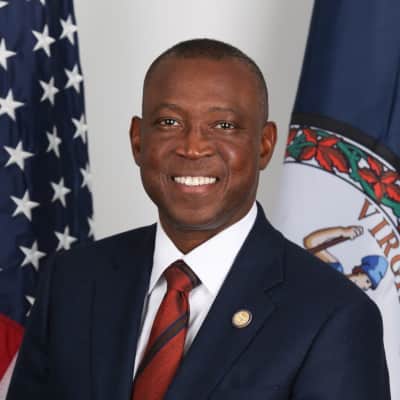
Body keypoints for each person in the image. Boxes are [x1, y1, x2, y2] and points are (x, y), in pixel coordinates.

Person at [7, 39, 390, 399]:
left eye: (224, 126)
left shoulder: (332, 315)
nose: (192, 147)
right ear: (138, 140)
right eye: (169, 123)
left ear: (264, 145)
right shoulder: (72, 281)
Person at [303, 225, 388, 291]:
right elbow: (310, 242)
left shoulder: (346, 300)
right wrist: (342, 232)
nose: (365, 287)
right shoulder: (336, 268)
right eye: (367, 281)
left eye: (367, 288)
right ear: (360, 272)